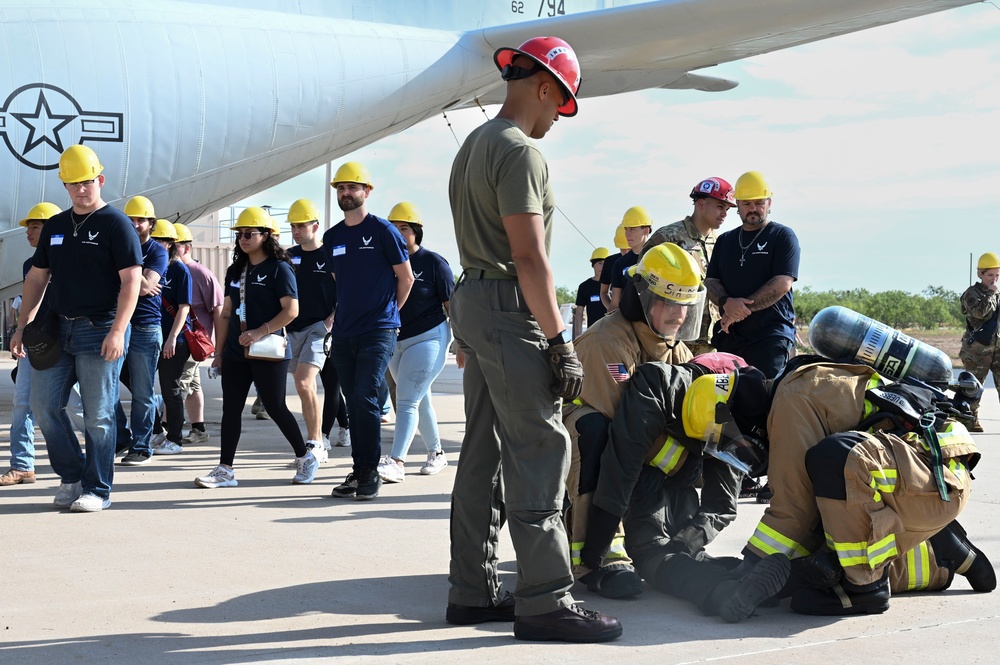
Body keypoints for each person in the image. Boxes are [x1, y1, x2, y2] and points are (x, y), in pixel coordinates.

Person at [446, 36, 621, 643]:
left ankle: (471, 589)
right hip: (507, 308)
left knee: (481, 450)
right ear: (544, 88)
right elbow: (529, 256)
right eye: (561, 104)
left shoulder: (473, 144)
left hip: (474, 301)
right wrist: (559, 341)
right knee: (541, 448)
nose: (558, 118)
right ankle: (545, 599)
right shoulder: (520, 151)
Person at [563, 243, 707, 598]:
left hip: (639, 441)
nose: (679, 315)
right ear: (642, 298)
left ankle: (673, 539)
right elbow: (623, 425)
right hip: (581, 438)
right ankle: (594, 557)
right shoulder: (606, 342)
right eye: (669, 302)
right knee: (594, 431)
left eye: (686, 305)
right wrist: (676, 461)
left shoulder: (674, 346)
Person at [10, 144, 142, 512]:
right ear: (64, 187)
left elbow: (132, 281)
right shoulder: (54, 226)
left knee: (99, 414)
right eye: (73, 184)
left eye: (86, 182)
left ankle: (98, 489)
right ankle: (72, 476)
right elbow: (37, 278)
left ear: (100, 180)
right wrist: (22, 326)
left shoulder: (116, 224)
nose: (81, 189)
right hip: (57, 330)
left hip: (100, 330)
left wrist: (119, 330)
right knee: (44, 404)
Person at [193, 206, 319, 489]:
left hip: (269, 350)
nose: (243, 238)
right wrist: (219, 353)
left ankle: (304, 456)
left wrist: (259, 332)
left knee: (275, 406)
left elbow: (292, 310)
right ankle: (225, 469)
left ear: (266, 235)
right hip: (237, 352)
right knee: (231, 409)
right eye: (239, 234)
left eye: (249, 233)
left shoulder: (280, 269)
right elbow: (226, 313)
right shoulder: (235, 270)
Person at [324, 162, 414, 501]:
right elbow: (340, 282)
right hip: (345, 332)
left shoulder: (383, 231)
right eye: (340, 188)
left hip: (379, 330)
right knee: (354, 400)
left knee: (364, 395)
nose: (345, 193)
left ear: (367, 191)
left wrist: (389, 315)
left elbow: (405, 278)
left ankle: (369, 470)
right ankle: (360, 470)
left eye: (352, 187)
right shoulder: (332, 237)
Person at [377, 202, 454, 483]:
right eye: (393, 229)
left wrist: (463, 344)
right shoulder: (385, 264)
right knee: (420, 400)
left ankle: (397, 461)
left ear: (416, 232)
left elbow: (452, 306)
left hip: (430, 337)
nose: (398, 233)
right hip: (397, 340)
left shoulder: (434, 263)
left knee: (406, 399)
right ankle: (437, 453)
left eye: (404, 228)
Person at [705, 171, 800, 379]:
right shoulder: (725, 240)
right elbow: (711, 281)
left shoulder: (782, 236)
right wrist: (725, 301)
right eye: (747, 203)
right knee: (724, 400)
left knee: (765, 398)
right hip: (730, 338)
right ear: (737, 205)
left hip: (770, 337)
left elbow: (782, 283)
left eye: (759, 202)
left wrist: (738, 310)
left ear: (769, 202)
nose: (753, 209)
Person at [1, 202, 61, 487]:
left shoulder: (68, 261)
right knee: (22, 403)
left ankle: (109, 444)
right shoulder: (30, 265)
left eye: (34, 227)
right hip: (33, 343)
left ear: (50, 228)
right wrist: (20, 332)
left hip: (63, 345)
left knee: (71, 406)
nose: (28, 233)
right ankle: (22, 465)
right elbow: (28, 303)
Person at [643, 177, 736, 356]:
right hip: (673, 340)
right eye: (719, 206)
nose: (724, 213)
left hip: (711, 339)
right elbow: (643, 286)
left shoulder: (721, 242)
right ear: (701, 204)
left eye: (726, 209)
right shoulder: (667, 237)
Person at [114, 196, 168, 466]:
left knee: (142, 391)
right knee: (108, 386)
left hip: (146, 327)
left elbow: (148, 286)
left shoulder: (158, 251)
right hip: (116, 325)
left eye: (141, 220)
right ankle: (120, 437)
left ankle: (141, 446)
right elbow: (143, 285)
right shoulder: (117, 247)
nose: (135, 224)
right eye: (130, 219)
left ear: (151, 223)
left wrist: (128, 281)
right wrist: (141, 282)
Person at [286, 198, 336, 463]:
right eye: (293, 226)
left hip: (318, 329)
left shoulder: (330, 255)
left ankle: (316, 442)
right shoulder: (288, 255)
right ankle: (314, 440)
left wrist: (331, 321)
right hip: (290, 330)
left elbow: (348, 291)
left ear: (315, 226)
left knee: (305, 382)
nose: (296, 230)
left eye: (301, 225)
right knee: (300, 385)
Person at [174, 222, 224, 445]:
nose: (169, 249)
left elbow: (219, 312)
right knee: (193, 385)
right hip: (179, 342)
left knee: (177, 386)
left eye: (174, 245)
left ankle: (165, 432)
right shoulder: (170, 270)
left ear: (187, 247)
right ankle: (199, 429)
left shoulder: (200, 273)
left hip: (193, 343)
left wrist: (219, 350)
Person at [150, 220, 193, 456]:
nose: (155, 244)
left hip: (175, 341)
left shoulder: (179, 270)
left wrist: (172, 338)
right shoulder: (148, 266)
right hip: (151, 336)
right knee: (138, 383)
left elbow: (184, 307)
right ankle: (156, 430)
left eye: (160, 240)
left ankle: (175, 439)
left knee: (171, 389)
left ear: (170, 244)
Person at [959, 251, 1000, 432]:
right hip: (977, 349)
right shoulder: (971, 294)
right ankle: (969, 419)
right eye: (990, 275)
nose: (994, 279)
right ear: (980, 274)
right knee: (973, 386)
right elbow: (980, 313)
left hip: (997, 347)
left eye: (997, 275)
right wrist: (991, 294)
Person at [608, 207, 652, 312]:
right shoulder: (619, 264)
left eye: (632, 229)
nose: (627, 234)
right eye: (626, 229)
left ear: (646, 230)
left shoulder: (659, 259)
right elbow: (615, 303)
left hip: (653, 324)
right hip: (628, 324)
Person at [572, 247, 609, 338]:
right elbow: (579, 312)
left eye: (605, 263)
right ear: (593, 265)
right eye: (599, 263)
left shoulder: (615, 284)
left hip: (612, 332)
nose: (603, 267)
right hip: (593, 334)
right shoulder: (585, 287)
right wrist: (578, 335)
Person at [599, 224, 628, 310]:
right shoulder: (611, 262)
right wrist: (613, 311)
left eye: (629, 249)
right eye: (622, 248)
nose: (626, 252)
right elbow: (603, 292)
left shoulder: (644, 259)